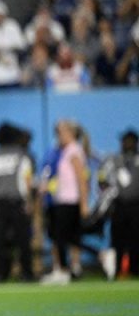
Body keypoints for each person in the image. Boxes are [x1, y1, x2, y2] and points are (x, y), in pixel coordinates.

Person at [0, 123, 35, 282]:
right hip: (17, 202)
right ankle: (27, 273)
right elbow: (27, 181)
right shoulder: (22, 155)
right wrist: (29, 201)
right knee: (23, 240)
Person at [43, 120, 89, 285]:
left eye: (61, 133)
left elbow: (81, 179)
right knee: (67, 237)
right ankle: (68, 268)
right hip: (61, 199)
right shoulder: (62, 151)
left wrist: (84, 203)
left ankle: (63, 269)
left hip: (70, 200)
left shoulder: (73, 151)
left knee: (62, 237)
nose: (58, 136)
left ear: (70, 134)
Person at [105, 130, 139, 278]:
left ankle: (135, 269)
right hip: (119, 205)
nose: (126, 144)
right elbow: (104, 179)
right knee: (117, 239)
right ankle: (117, 270)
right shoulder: (115, 160)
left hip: (136, 205)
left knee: (136, 239)